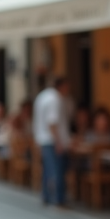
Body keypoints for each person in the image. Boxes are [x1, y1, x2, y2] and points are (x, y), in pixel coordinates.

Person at [33, 77, 73, 208]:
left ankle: (47, 196)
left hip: (43, 139)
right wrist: (58, 142)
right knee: (57, 170)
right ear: (62, 86)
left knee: (48, 169)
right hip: (52, 140)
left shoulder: (42, 96)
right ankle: (58, 199)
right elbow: (52, 122)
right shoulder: (55, 99)